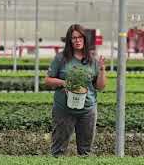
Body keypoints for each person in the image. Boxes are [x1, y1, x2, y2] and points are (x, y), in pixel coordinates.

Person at [44, 24, 107, 157]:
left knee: (85, 152)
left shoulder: (92, 60)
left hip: (87, 111)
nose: (77, 40)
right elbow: (48, 80)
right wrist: (64, 83)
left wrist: (102, 70)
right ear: (69, 40)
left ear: (85, 39)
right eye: (74, 38)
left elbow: (100, 87)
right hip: (64, 110)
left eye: (80, 37)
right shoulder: (61, 58)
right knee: (58, 150)